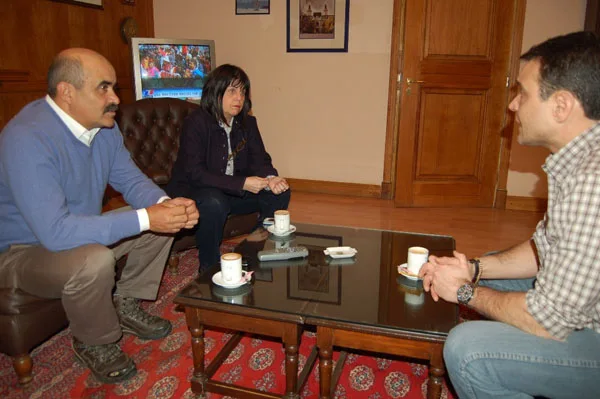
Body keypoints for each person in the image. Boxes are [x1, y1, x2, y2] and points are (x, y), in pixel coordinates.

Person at [0, 48, 199, 384]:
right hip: (23, 251)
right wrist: (148, 217)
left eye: (115, 88)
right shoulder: (27, 138)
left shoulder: (103, 129)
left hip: (73, 231)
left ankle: (126, 302)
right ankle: (94, 340)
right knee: (95, 260)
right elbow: (55, 233)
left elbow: (132, 181)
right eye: (103, 88)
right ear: (67, 93)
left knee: (161, 220)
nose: (115, 99)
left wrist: (166, 205)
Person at [419, 31, 600, 398]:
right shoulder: (578, 159)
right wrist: (474, 269)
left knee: (467, 350)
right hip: (579, 306)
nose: (514, 105)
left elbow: (548, 318)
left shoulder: (590, 184)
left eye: (523, 93)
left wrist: (464, 290)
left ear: (562, 106)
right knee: (489, 267)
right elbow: (543, 249)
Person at [166, 64, 290, 270]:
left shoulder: (247, 124)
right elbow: (195, 173)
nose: (239, 98)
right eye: (232, 91)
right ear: (216, 91)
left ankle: (253, 250)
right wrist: (242, 183)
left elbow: (260, 160)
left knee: (280, 193)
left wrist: (271, 178)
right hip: (195, 192)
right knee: (215, 202)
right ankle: (209, 266)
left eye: (242, 92)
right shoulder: (196, 122)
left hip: (230, 192)